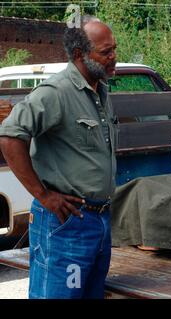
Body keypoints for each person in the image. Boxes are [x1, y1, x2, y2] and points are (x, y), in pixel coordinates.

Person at [0, 16, 118, 299]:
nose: (113, 57)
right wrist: (43, 195)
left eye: (114, 49)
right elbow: (10, 136)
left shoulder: (100, 91)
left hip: (99, 221)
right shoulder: (56, 92)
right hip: (66, 223)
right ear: (79, 54)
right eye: (105, 52)